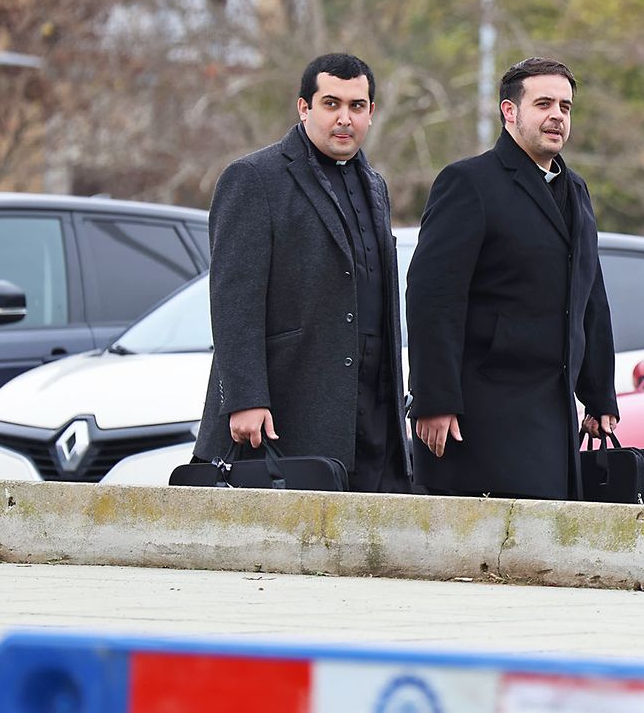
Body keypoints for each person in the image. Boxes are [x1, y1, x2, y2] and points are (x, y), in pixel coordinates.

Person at [194, 53, 410, 493]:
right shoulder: (254, 177)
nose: (344, 118)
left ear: (371, 113)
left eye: (357, 106)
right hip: (288, 405)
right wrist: (246, 398)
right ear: (304, 108)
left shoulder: (376, 185)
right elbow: (234, 299)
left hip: (372, 405)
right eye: (331, 104)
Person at [405, 56, 619, 499]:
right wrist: (434, 399)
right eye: (544, 104)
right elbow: (433, 297)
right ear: (510, 112)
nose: (557, 116)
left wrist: (599, 396)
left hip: (553, 409)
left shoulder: (575, 190)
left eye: (565, 106)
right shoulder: (469, 183)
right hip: (481, 411)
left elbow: (590, 296)